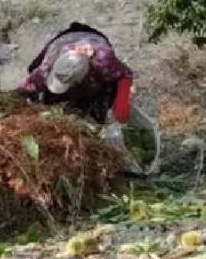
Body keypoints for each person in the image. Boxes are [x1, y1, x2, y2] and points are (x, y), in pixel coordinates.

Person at [19, 23, 161, 174]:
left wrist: (121, 101)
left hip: (94, 44)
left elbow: (124, 75)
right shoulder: (51, 63)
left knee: (98, 105)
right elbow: (29, 86)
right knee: (48, 99)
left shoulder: (103, 61)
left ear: (81, 79)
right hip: (65, 39)